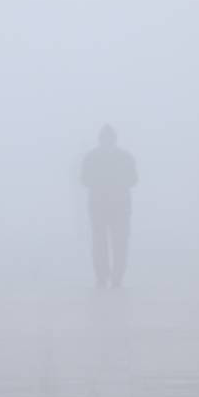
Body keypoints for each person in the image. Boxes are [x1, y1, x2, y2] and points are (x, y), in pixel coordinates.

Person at [80, 124, 137, 289]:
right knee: (118, 242)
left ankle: (103, 277)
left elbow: (84, 180)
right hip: (119, 206)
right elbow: (134, 180)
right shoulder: (125, 157)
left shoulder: (91, 157)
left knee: (101, 242)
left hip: (99, 206)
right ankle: (116, 277)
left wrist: (99, 183)